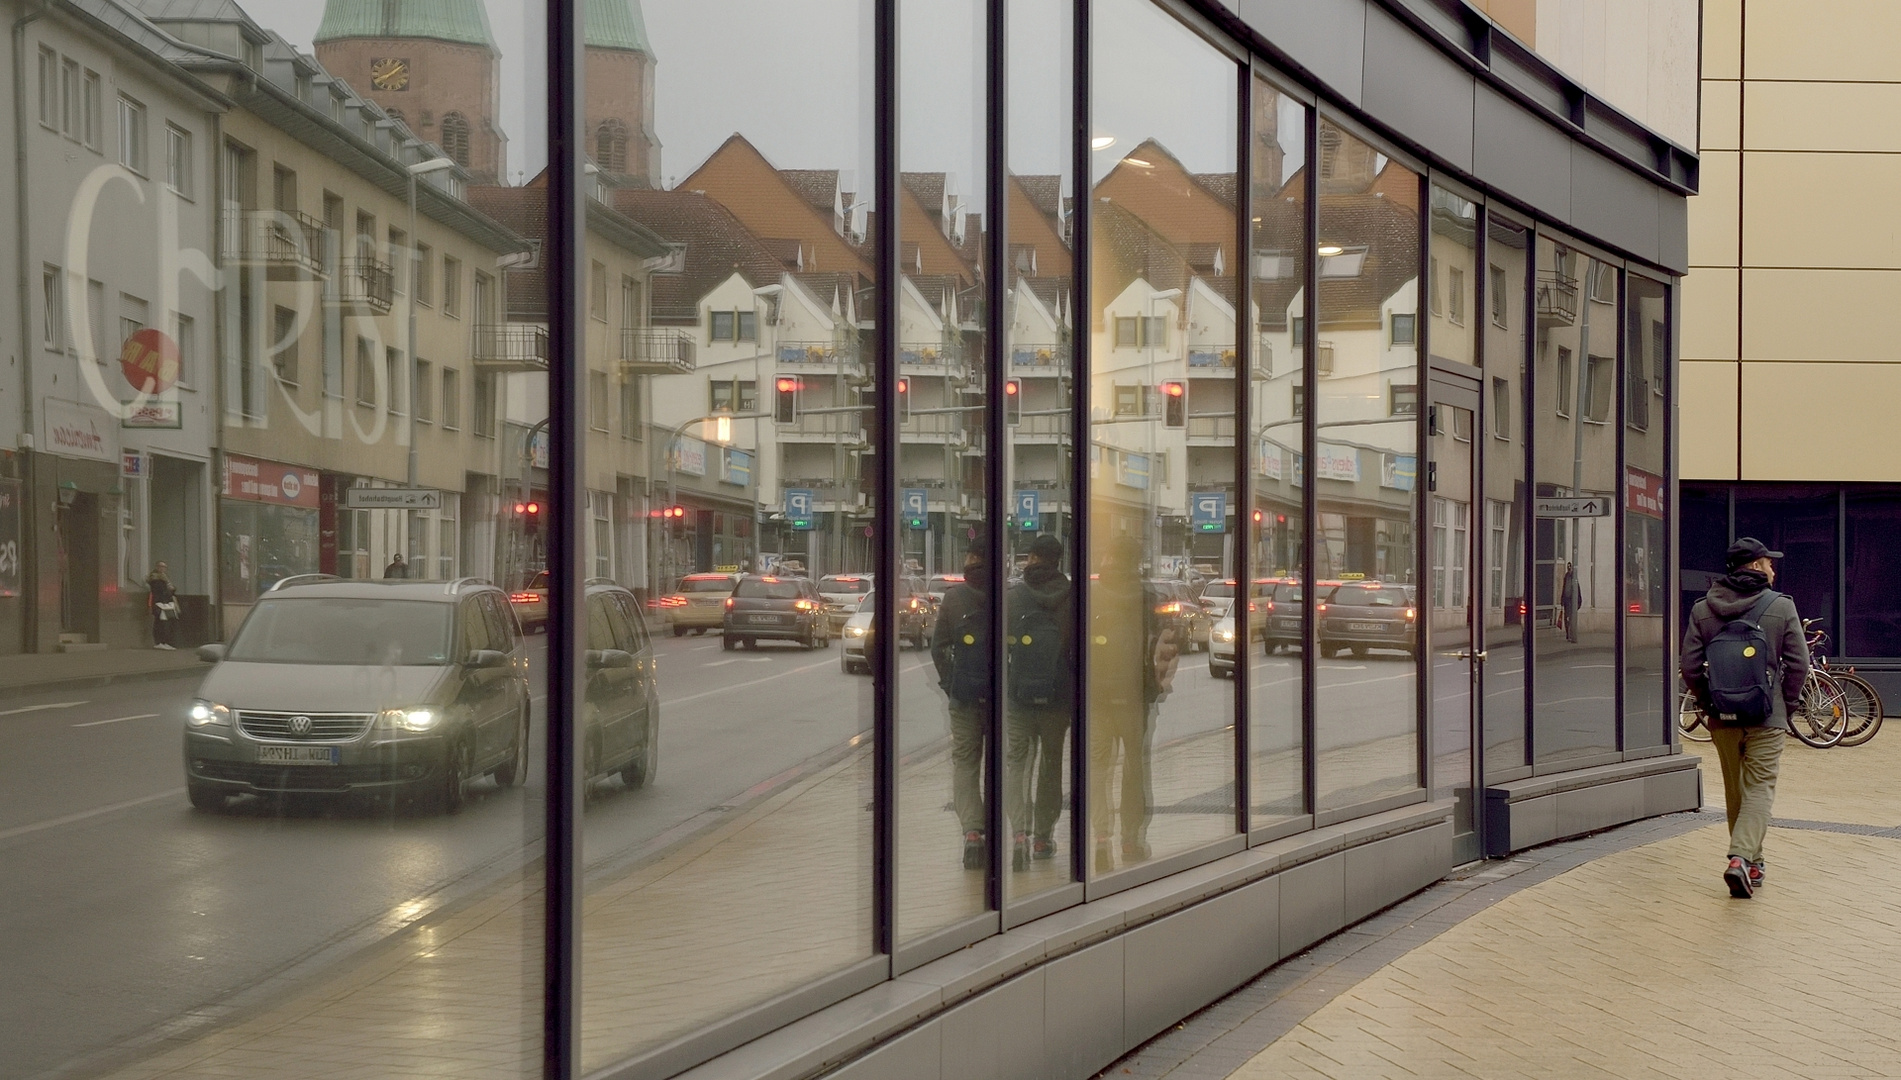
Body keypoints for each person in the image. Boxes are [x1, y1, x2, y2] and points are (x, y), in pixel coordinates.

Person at [1681, 537, 1809, 899]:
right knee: (1760, 788)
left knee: (1737, 790)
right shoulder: (1780, 606)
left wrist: (1709, 702)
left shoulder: (1704, 609)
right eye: (1769, 563)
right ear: (1755, 566)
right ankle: (1739, 858)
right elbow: (1798, 663)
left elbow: (1690, 666)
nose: (1773, 568)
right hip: (1767, 715)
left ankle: (1755, 861)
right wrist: (1786, 704)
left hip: (1722, 715)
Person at [1088, 535, 1176, 872]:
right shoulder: (1149, 598)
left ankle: (1099, 837)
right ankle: (1130, 839)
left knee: (1098, 768)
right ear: (1136, 562)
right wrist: (1159, 685)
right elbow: (1167, 646)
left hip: (1097, 696)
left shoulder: (1092, 595)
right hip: (1136, 699)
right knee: (1134, 770)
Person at [1004, 534, 1075, 871]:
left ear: (1032, 558)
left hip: (1018, 694)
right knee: (1050, 764)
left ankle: (1019, 833)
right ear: (1058, 561)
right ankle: (1044, 836)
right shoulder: (1072, 596)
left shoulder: (1014, 596)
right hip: (1058, 696)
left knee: (1017, 761)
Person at [931, 547, 992, 871]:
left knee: (966, 764)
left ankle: (972, 833)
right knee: (1000, 764)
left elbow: (938, 646)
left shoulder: (953, 599)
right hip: (999, 698)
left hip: (965, 696)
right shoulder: (1007, 596)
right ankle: (1006, 833)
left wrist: (950, 683)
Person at [145, 562, 179, 650]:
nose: (163, 569)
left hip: (162, 603)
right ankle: (162, 642)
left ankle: (162, 642)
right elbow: (162, 592)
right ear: (157, 567)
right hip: (161, 604)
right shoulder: (157, 580)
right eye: (161, 567)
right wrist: (171, 590)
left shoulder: (163, 579)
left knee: (161, 622)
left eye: (164, 567)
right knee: (162, 623)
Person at [1559, 561, 1582, 644]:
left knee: (1571, 618)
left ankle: (1571, 634)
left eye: (1570, 567)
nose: (1569, 569)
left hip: (1572, 601)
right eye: (1568, 567)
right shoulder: (1566, 576)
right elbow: (1564, 588)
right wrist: (1562, 600)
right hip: (1567, 600)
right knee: (1567, 618)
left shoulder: (1573, 577)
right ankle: (1568, 634)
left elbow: (1577, 589)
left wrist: (1578, 601)